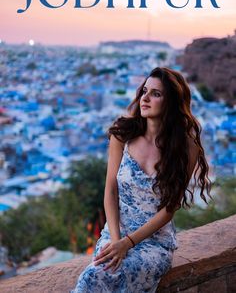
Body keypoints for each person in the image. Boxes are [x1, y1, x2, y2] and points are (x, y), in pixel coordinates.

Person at [71, 67, 212, 292]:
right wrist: (117, 241)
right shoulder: (123, 135)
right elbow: (110, 191)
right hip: (117, 229)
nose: (145, 98)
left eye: (156, 94)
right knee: (93, 275)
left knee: (118, 271)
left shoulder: (186, 148)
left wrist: (128, 243)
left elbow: (170, 208)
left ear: (171, 102)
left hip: (154, 241)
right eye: (144, 91)